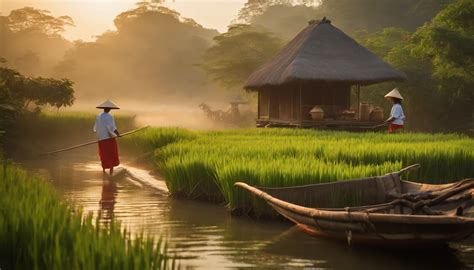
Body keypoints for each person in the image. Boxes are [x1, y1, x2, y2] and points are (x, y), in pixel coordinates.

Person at [93, 100, 121, 175]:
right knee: (111, 154)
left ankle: (104, 170)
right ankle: (111, 173)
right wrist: (118, 134)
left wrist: (100, 136)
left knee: (103, 154)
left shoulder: (98, 116)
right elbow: (113, 128)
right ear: (109, 109)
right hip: (108, 139)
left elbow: (95, 128)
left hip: (101, 139)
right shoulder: (109, 117)